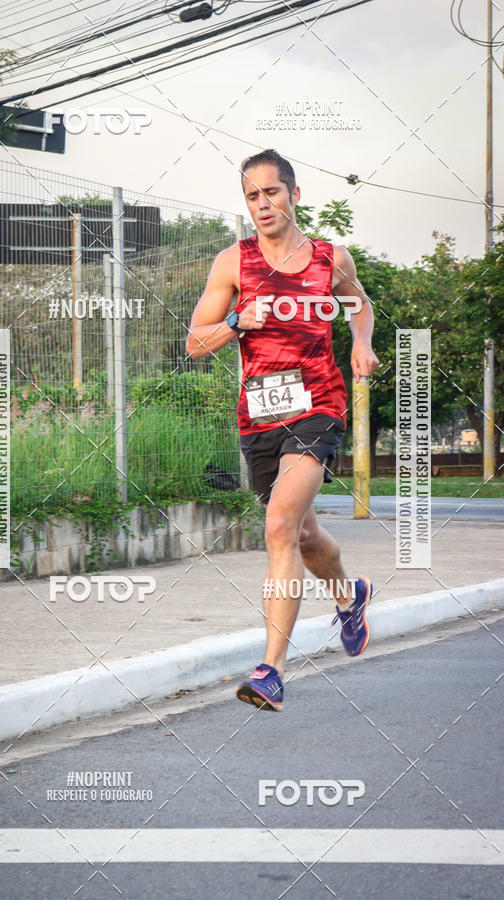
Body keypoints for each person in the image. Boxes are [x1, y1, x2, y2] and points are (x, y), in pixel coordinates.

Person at [186, 149, 379, 711]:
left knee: (277, 526)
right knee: (301, 535)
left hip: (318, 407)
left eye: (271, 192)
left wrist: (361, 341)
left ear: (293, 195)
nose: (263, 204)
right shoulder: (233, 264)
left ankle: (271, 669)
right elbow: (195, 343)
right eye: (252, 197)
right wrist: (233, 321)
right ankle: (349, 595)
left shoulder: (328, 258)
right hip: (259, 417)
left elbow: (358, 306)